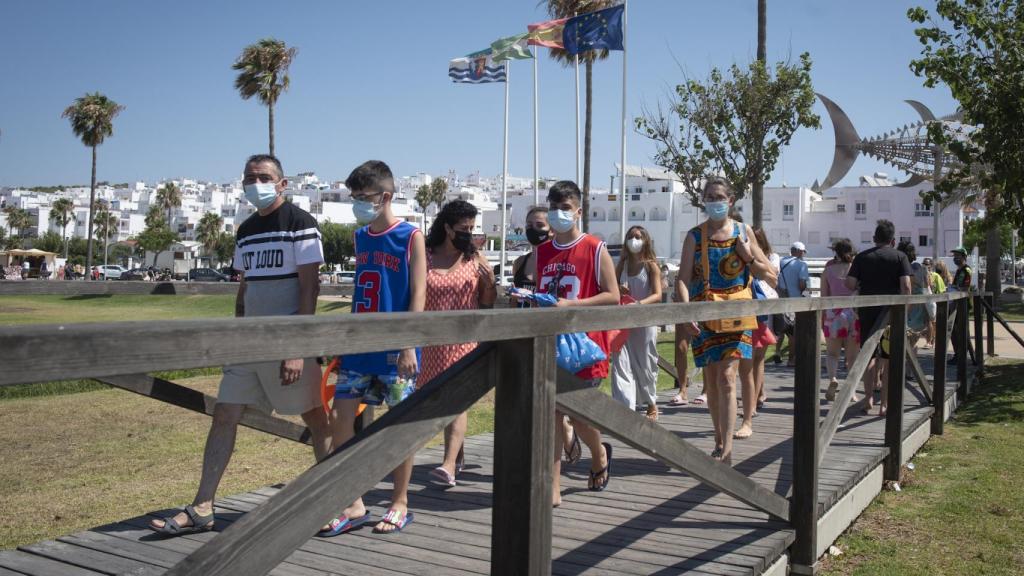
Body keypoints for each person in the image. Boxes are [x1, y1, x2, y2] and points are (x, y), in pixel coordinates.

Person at [149, 154, 332, 536]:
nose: (256, 184)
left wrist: (297, 346)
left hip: (287, 342)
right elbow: (245, 284)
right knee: (225, 414)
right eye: (249, 178)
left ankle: (332, 499)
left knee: (315, 416)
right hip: (248, 343)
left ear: (282, 183)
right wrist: (237, 332)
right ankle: (202, 506)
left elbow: (309, 286)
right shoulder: (246, 229)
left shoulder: (301, 222)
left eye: (263, 177)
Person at [324, 160, 426, 536]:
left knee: (399, 426)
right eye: (354, 197)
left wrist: (409, 344)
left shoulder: (410, 236)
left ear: (385, 196)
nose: (358, 203)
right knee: (341, 421)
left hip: (396, 350)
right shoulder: (360, 236)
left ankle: (400, 500)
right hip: (358, 348)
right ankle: (352, 501)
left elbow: (418, 293)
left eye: (364, 197)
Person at [678, 178, 774, 463]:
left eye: (719, 196)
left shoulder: (744, 232)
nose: (714, 201)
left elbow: (769, 273)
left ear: (731, 200)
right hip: (704, 315)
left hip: (737, 314)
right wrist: (686, 313)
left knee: (728, 377)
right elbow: (682, 280)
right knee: (712, 377)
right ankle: (719, 439)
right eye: (709, 196)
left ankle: (727, 450)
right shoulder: (694, 236)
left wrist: (747, 258)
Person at [538, 180, 619, 505]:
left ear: (578, 211)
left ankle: (599, 454)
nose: (559, 214)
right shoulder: (542, 251)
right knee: (553, 415)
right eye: (554, 208)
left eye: (565, 208)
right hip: (550, 348)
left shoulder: (595, 248)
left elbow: (613, 296)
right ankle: (553, 486)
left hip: (586, 350)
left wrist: (574, 306)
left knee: (581, 418)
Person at [419, 200, 496, 487]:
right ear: (447, 227)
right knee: (439, 403)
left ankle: (449, 465)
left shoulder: (474, 258)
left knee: (457, 400)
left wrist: (490, 283)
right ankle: (458, 457)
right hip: (430, 342)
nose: (469, 233)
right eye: (463, 228)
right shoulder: (425, 255)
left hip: (463, 340)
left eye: (472, 228)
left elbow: (486, 302)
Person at [511, 207, 581, 464]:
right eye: (529, 224)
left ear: (551, 228)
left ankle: (561, 445)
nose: (533, 229)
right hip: (524, 334)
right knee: (532, 401)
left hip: (551, 336)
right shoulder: (520, 262)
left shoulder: (555, 261)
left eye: (539, 224)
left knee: (555, 403)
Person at [846, 220, 912, 416]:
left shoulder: (862, 257)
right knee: (889, 359)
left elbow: (850, 284)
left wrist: (861, 286)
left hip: (868, 314)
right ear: (892, 240)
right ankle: (885, 404)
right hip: (891, 314)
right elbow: (906, 286)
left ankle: (868, 400)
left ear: (875, 238)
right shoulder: (900, 257)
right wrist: (904, 308)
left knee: (869, 357)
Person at [610, 225, 663, 419]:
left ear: (645, 240)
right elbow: (610, 289)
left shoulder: (650, 266)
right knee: (621, 363)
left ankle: (651, 403)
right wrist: (619, 290)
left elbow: (657, 295)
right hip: (622, 323)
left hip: (644, 321)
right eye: (631, 236)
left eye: (638, 236)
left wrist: (638, 304)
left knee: (646, 363)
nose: (634, 240)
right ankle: (625, 409)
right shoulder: (621, 265)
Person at [736, 227, 779, 439]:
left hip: (757, 311)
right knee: (748, 365)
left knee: (753, 363)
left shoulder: (765, 257)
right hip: (743, 312)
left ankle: (750, 409)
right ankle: (754, 400)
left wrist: (749, 257)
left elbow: (773, 276)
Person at [820, 239, 861, 402]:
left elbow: (824, 297)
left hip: (833, 313)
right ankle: (851, 391)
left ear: (835, 252)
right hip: (853, 313)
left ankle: (832, 379)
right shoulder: (856, 270)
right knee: (852, 357)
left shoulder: (828, 271)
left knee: (832, 353)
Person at [772, 241, 809, 366]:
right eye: (803, 252)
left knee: (780, 329)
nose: (803, 254)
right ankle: (791, 360)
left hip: (779, 300)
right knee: (793, 333)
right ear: (799, 251)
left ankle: (777, 352)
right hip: (794, 302)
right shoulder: (802, 264)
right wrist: (803, 291)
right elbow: (801, 284)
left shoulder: (780, 261)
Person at [899, 241, 931, 350]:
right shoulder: (921, 268)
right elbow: (927, 285)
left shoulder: (901, 267)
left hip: (906, 303)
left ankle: (908, 358)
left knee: (904, 336)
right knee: (911, 336)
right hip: (918, 304)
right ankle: (910, 358)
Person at [948, 246, 973, 365]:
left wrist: (954, 288)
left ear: (964, 257)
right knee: (953, 330)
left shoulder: (966, 270)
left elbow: (965, 288)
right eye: (954, 256)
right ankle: (958, 354)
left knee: (962, 332)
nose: (956, 258)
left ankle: (965, 356)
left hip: (962, 304)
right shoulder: (958, 271)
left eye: (958, 256)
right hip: (954, 303)